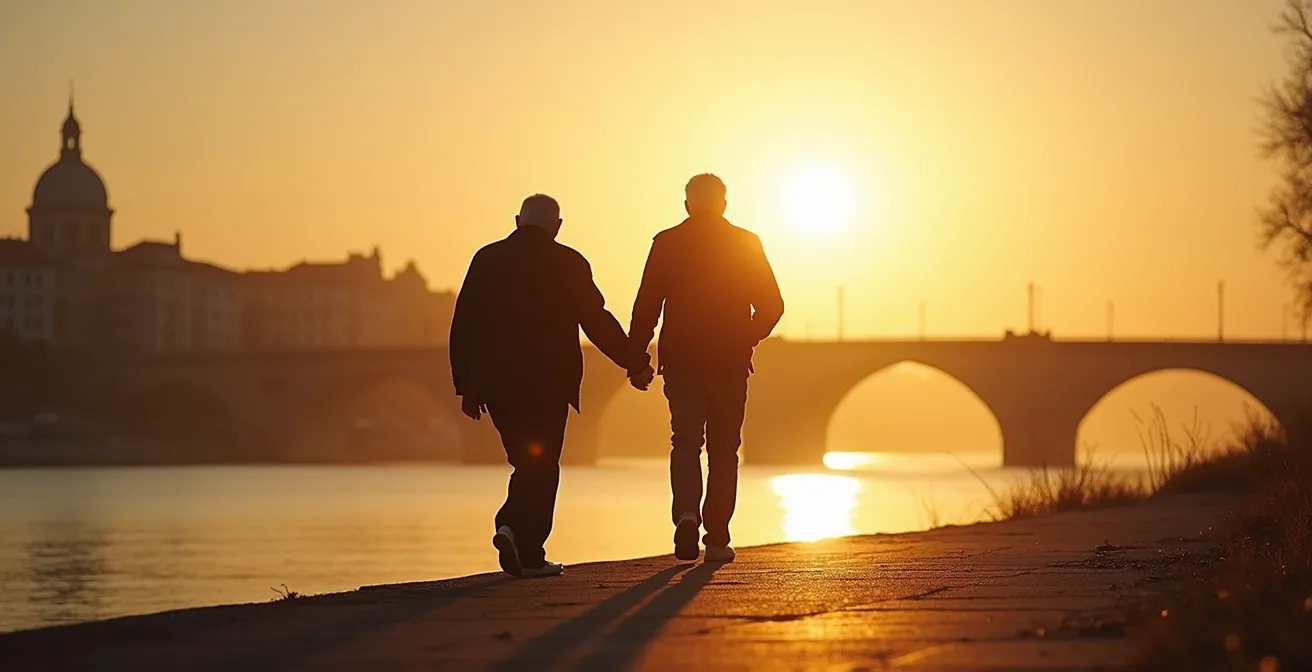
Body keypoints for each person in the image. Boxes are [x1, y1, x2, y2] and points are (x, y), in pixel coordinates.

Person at [450, 194, 655, 578]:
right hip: (547, 384)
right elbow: (596, 321)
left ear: (517, 221)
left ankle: (515, 533)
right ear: (557, 226)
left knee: (527, 462)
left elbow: (464, 323)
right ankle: (524, 546)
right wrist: (636, 362)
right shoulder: (568, 262)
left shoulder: (487, 259)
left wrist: (466, 385)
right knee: (541, 465)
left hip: (497, 384)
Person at [629, 174, 784, 563]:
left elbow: (646, 304)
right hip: (729, 363)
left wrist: (636, 358)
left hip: (681, 361)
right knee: (724, 452)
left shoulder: (666, 243)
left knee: (684, 442)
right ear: (725, 204)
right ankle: (716, 538)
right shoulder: (745, 242)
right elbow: (773, 305)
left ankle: (685, 513)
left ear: (686, 205)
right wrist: (747, 336)